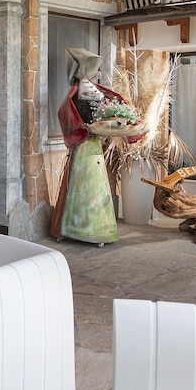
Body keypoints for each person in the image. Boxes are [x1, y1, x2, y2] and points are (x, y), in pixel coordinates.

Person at [50, 48, 138, 245]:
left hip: (90, 144)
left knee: (93, 184)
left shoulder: (89, 89)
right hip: (83, 146)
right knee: (85, 184)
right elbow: (68, 113)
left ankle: (91, 229)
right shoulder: (80, 91)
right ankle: (78, 228)